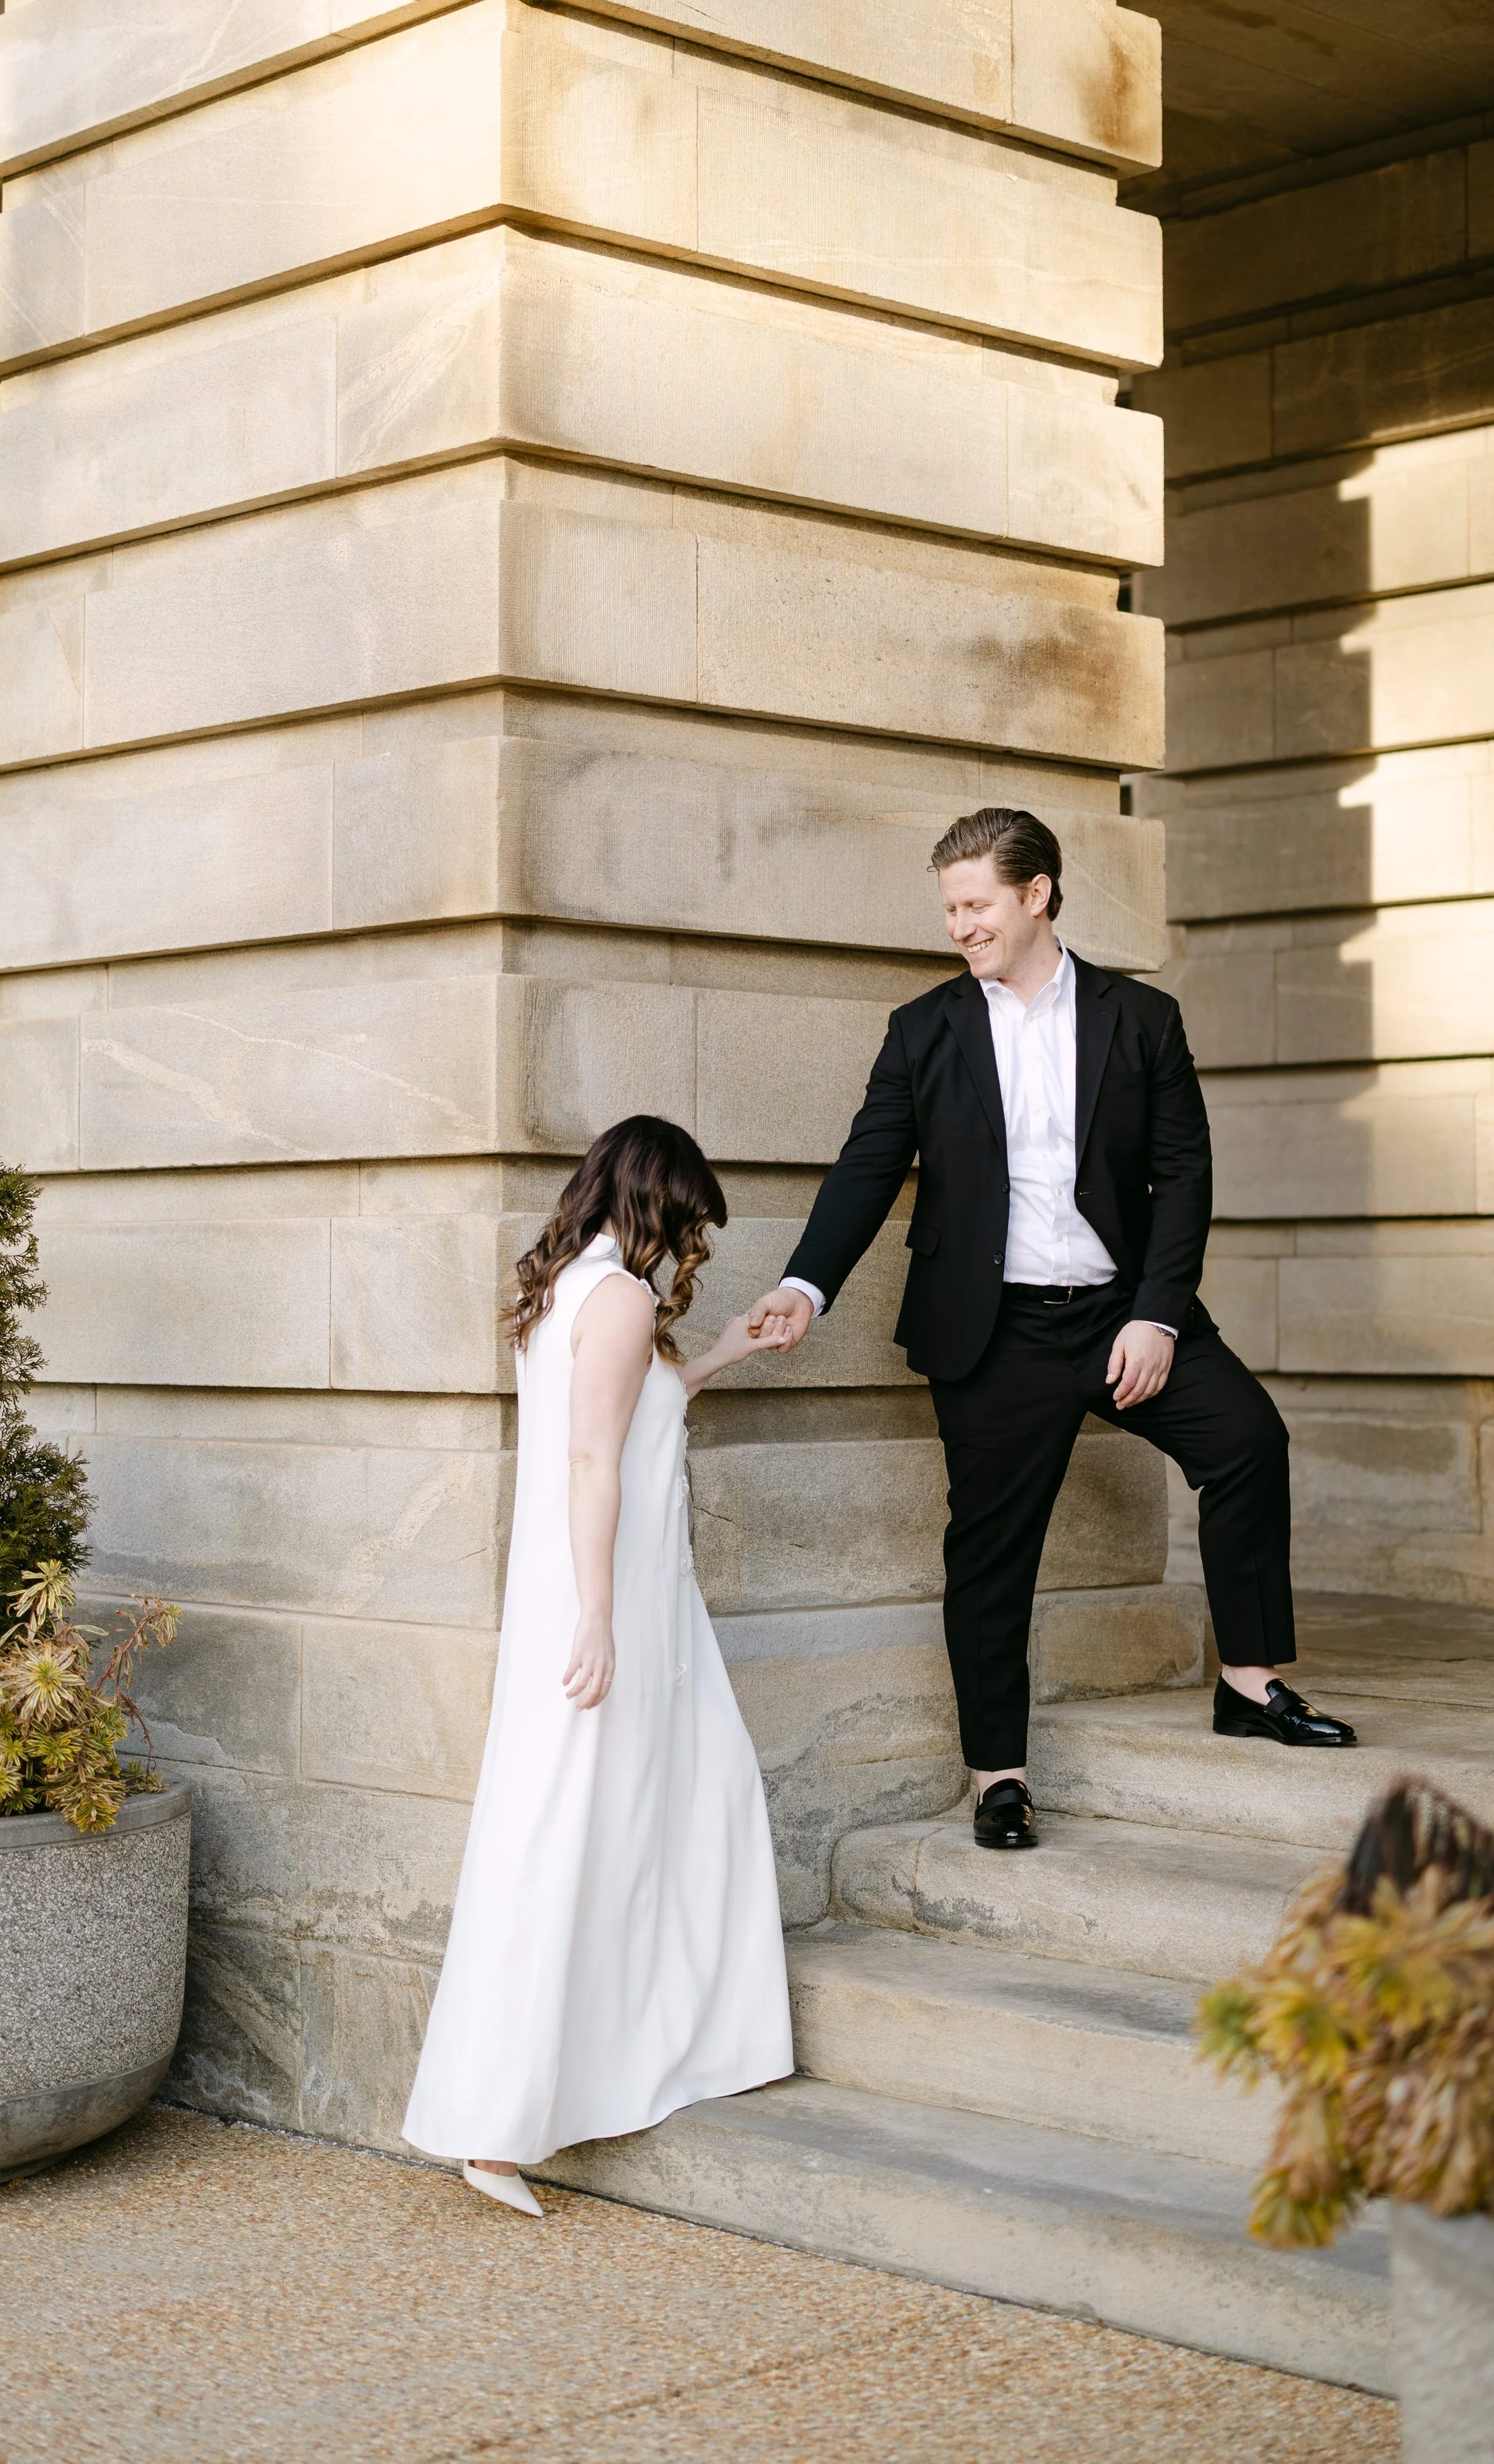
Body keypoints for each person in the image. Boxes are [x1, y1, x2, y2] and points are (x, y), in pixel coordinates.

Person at [744, 807, 1355, 1857]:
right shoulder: (924, 1029)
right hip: (995, 1331)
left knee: (1249, 1441)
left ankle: (1250, 1685)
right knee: (991, 1553)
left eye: (976, 903)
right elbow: (866, 1167)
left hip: (1125, 1306)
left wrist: (1159, 1312)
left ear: (1037, 894)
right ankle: (1000, 1775)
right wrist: (807, 1284)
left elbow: (1183, 1175)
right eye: (949, 907)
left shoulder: (1139, 1020)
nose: (959, 925)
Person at [404, 1115, 793, 2213]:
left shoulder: (568, 1290)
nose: (684, 1249)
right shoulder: (616, 1299)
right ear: (655, 1203)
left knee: (660, 1809)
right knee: (580, 1830)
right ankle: (500, 2121)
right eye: (684, 1222)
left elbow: (630, 1424)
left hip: (609, 1599)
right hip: (613, 1603)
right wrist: (599, 1615)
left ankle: (656, 2048)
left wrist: (721, 1355)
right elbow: (589, 1461)